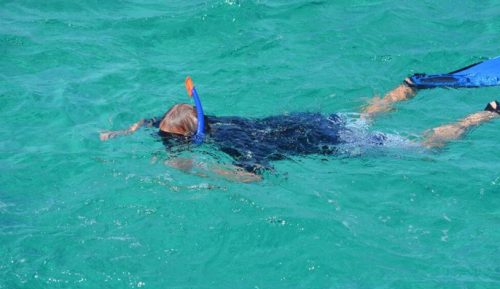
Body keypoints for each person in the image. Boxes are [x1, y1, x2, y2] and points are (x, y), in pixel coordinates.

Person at [100, 92, 500, 182]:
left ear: (193, 136)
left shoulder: (240, 145)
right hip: (310, 121)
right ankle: (409, 87)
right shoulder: (204, 119)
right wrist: (125, 130)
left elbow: (254, 177)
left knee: (423, 148)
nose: (166, 140)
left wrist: (196, 170)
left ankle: (484, 115)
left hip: (329, 143)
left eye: (174, 141)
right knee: (361, 116)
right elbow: (158, 120)